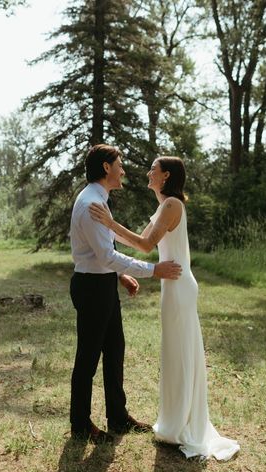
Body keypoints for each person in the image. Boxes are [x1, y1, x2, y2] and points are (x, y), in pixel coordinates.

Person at [89, 156, 240, 460]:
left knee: (181, 352)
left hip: (179, 286)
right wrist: (106, 226)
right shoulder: (164, 206)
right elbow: (136, 239)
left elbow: (146, 246)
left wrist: (110, 222)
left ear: (166, 176)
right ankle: (175, 421)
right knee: (174, 352)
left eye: (153, 171)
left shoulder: (172, 205)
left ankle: (184, 424)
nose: (148, 173)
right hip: (172, 286)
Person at [69, 144, 182, 444]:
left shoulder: (99, 200)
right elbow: (105, 255)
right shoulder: (91, 203)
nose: (123, 169)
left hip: (103, 284)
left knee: (115, 351)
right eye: (119, 164)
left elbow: (105, 248)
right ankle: (80, 424)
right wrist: (153, 270)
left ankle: (117, 417)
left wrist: (121, 275)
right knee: (88, 358)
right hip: (92, 288)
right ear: (106, 168)